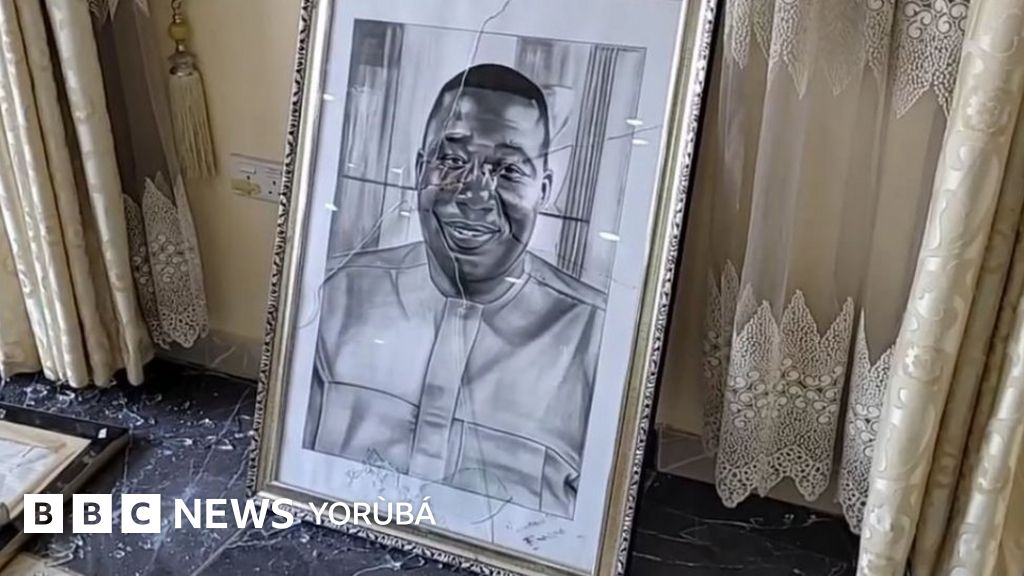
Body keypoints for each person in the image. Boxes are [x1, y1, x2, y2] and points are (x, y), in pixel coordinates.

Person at [305, 63, 606, 518]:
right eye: (451, 161)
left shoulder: (596, 338)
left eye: (509, 169)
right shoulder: (332, 296)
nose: (474, 195)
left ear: (544, 191)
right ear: (419, 171)